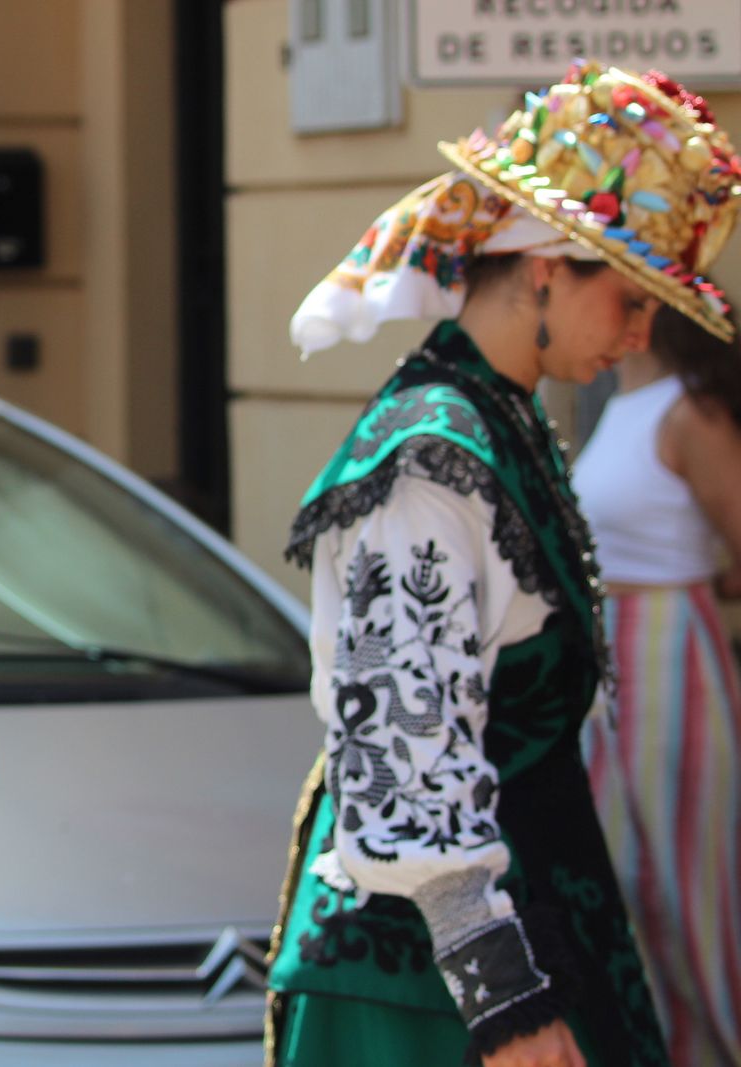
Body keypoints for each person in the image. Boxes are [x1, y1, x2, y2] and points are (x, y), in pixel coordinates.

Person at [265, 60, 741, 1067]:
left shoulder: (500, 421)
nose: (640, 334)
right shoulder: (428, 456)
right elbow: (399, 734)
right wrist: (504, 1000)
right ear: (544, 268)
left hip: (535, 922)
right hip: (430, 980)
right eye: (629, 298)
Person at [574, 301, 741, 1066]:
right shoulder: (619, 404)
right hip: (608, 662)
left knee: (691, 881)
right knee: (623, 873)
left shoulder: (689, 411)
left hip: (672, 648)